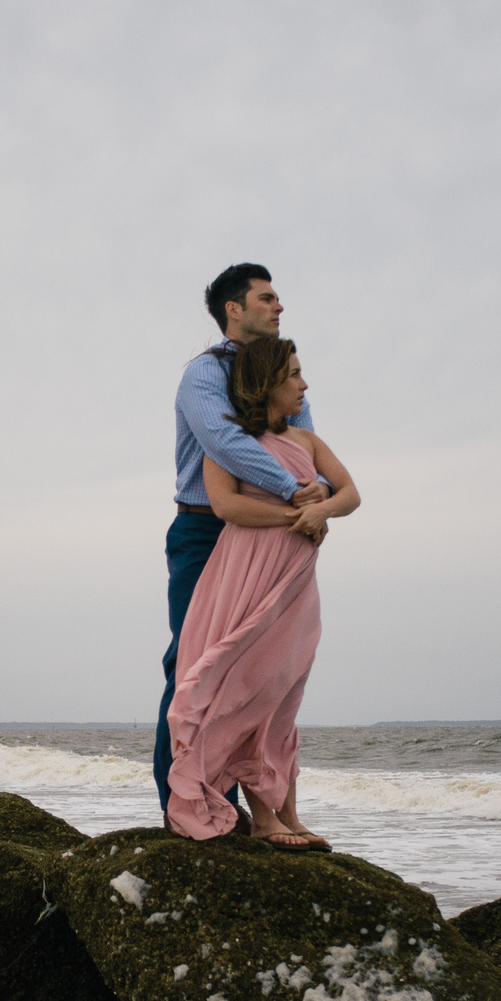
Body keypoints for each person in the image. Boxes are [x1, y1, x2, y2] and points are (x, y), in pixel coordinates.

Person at [163, 335, 360, 848]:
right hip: (246, 575)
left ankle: (290, 814)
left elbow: (350, 493)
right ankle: (264, 819)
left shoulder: (308, 442)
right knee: (244, 683)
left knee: (285, 690)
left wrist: (324, 509)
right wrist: (298, 515)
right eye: (294, 374)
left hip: (296, 579)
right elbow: (228, 508)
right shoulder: (228, 442)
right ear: (268, 382)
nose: (304, 383)